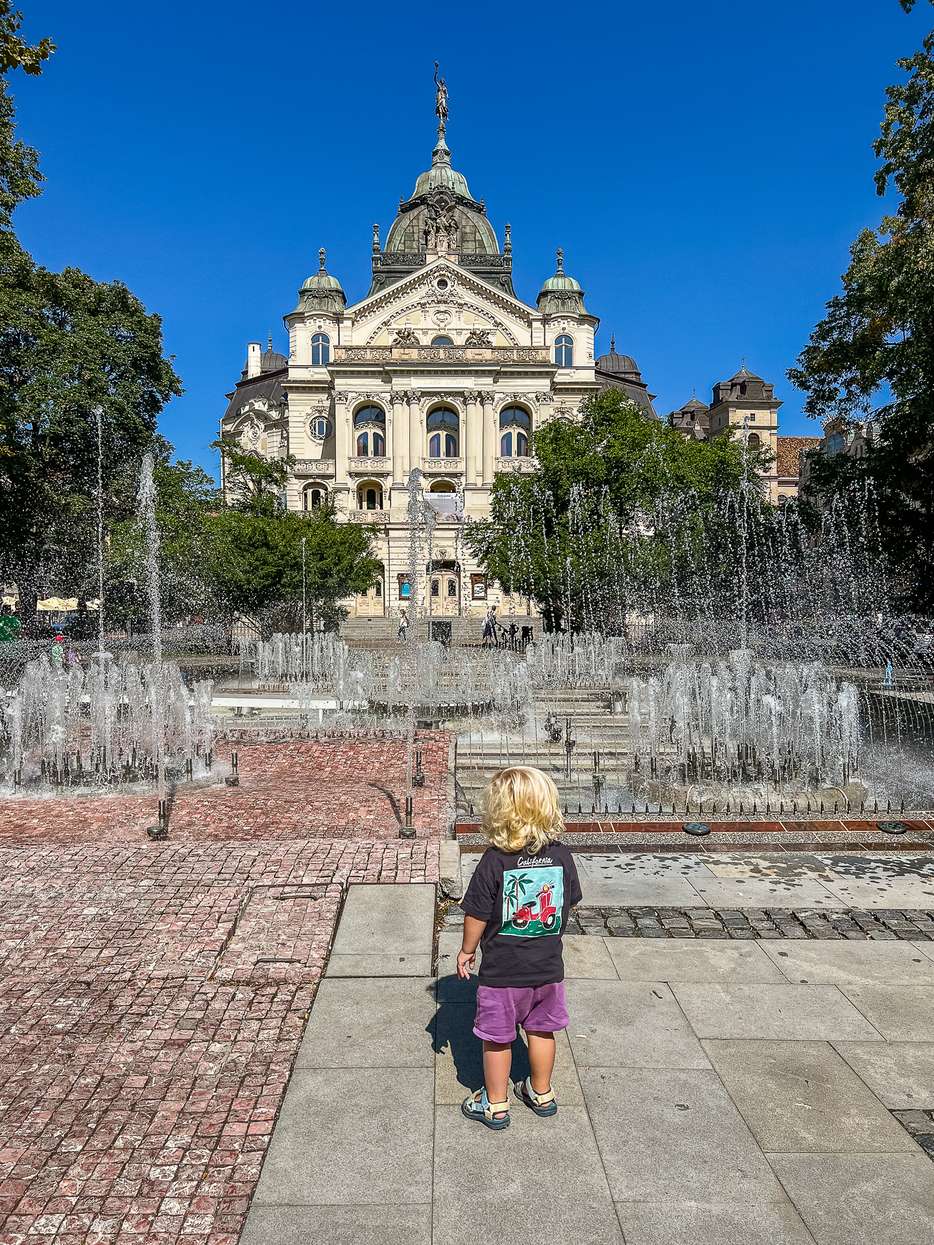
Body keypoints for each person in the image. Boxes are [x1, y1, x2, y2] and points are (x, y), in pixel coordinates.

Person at [457, 766, 582, 1130]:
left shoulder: (495, 860)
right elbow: (566, 903)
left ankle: (495, 1104)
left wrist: (467, 950)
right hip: (547, 969)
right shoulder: (561, 855)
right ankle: (541, 1092)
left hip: (501, 973)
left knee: (497, 1039)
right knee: (543, 1030)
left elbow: (477, 914)